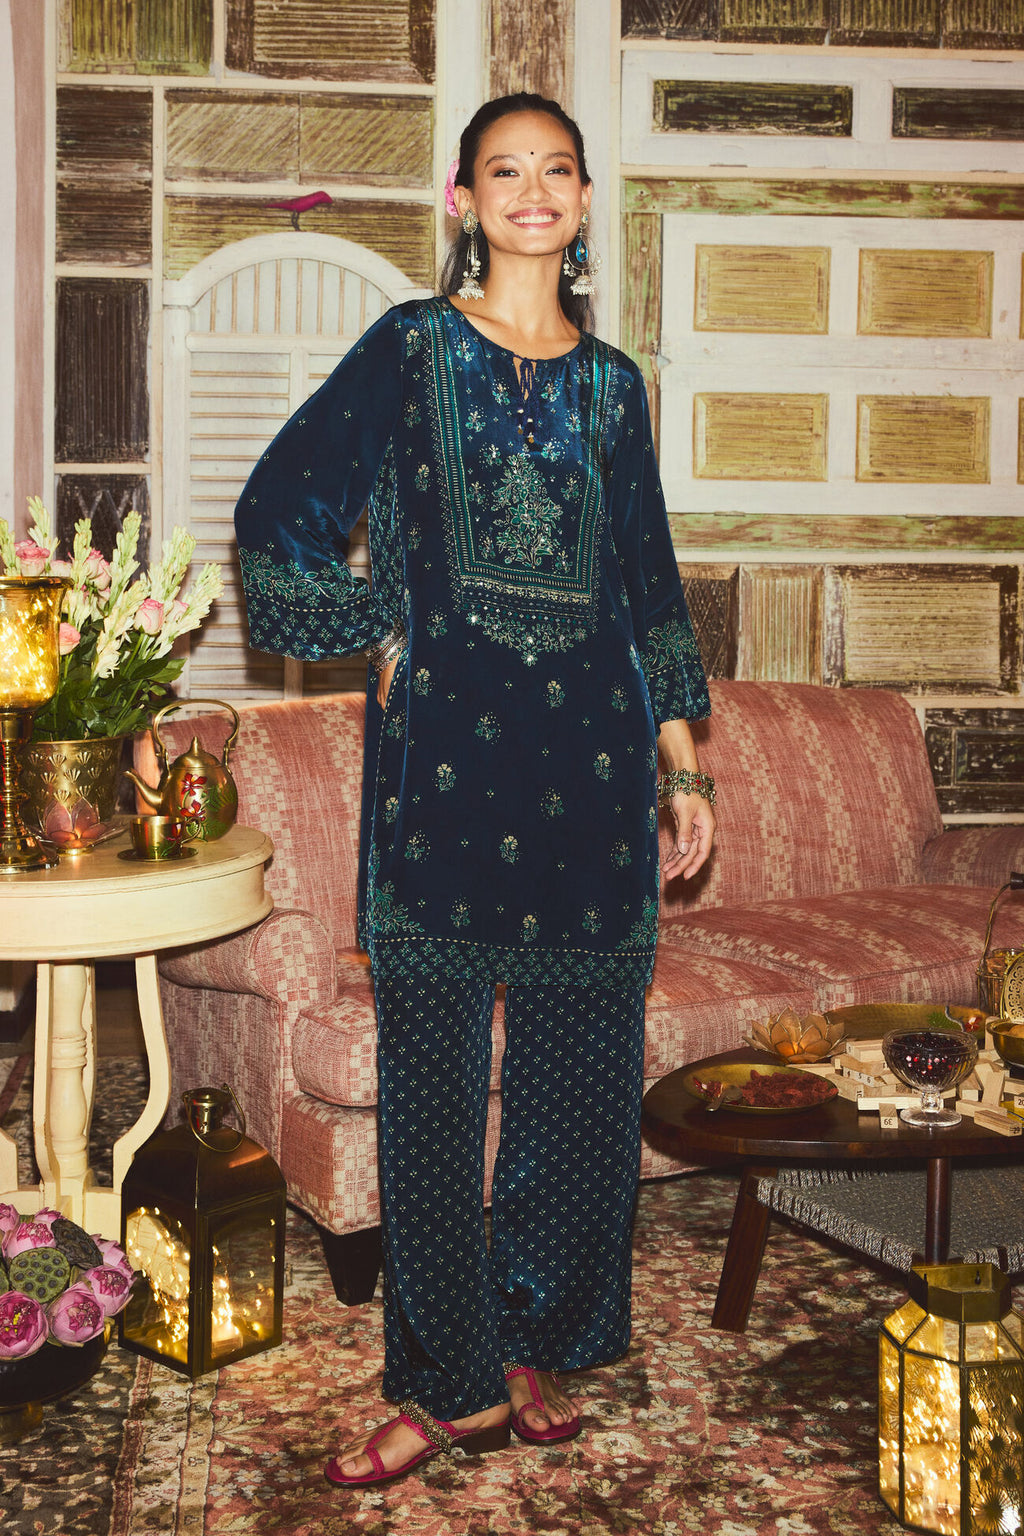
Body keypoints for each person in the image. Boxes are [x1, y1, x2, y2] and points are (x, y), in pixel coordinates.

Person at [234, 92, 715, 1489]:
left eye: (555, 171)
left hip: (593, 773)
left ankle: (529, 1346)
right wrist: (380, 622)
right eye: (504, 170)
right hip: (445, 774)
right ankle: (437, 1380)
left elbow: (649, 586)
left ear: (580, 203)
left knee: (574, 1088)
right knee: (434, 1087)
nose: (532, 191)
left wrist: (684, 764)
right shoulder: (411, 349)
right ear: (462, 200)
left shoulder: (615, 386)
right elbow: (281, 510)